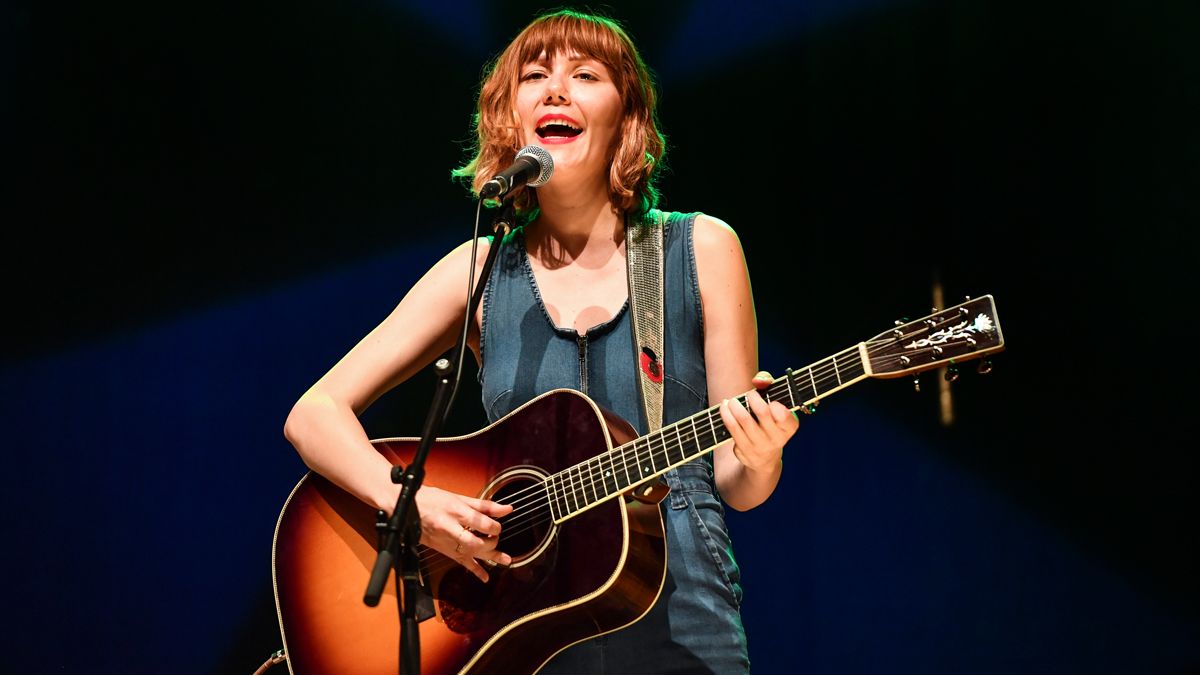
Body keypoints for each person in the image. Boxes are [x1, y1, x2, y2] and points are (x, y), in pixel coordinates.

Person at [283, 9, 799, 673]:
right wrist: (415, 504)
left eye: (585, 75)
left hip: (683, 623)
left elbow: (738, 481)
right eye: (535, 76)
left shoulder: (700, 247)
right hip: (519, 633)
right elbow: (313, 413)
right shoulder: (478, 269)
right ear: (511, 115)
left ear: (627, 117)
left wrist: (759, 454)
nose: (556, 90)